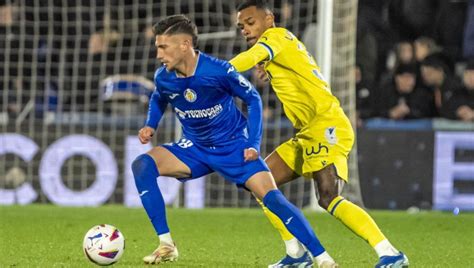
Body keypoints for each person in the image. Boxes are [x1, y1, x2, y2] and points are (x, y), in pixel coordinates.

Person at [132, 14, 338, 267]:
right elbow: (159, 97)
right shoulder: (163, 77)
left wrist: (253, 143)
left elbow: (253, 99)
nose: (158, 54)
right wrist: (151, 125)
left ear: (184, 45)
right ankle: (166, 244)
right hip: (194, 147)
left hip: (233, 147)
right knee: (142, 165)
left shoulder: (218, 71)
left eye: (163, 47)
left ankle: (323, 258)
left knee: (272, 198)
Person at [229, 1, 409, 267]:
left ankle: (390, 252)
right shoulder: (277, 47)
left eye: (250, 22)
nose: (245, 29)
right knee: (258, 182)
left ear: (270, 19)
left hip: (327, 126)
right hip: (307, 133)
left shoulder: (275, 36)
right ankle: (295, 254)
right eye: (241, 26)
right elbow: (269, 61)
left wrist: (215, 72)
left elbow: (248, 58)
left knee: (327, 197)